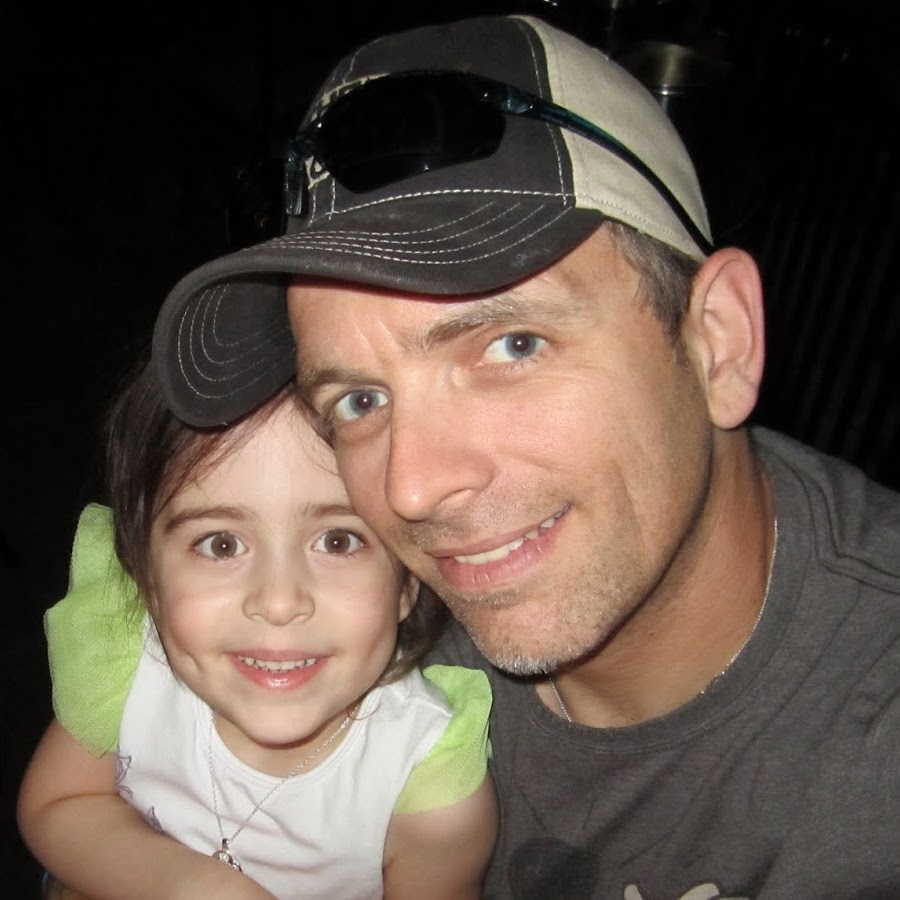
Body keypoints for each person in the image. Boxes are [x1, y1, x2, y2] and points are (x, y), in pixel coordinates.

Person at [26, 13, 900, 899]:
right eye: (359, 400)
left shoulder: (867, 776)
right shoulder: (317, 624)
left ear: (719, 341)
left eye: (512, 346)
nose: (410, 489)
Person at [17, 361, 496, 900]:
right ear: (148, 578)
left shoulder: (426, 784)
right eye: (221, 544)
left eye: (338, 541)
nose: (279, 603)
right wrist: (189, 885)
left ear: (407, 581)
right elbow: (60, 803)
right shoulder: (127, 660)